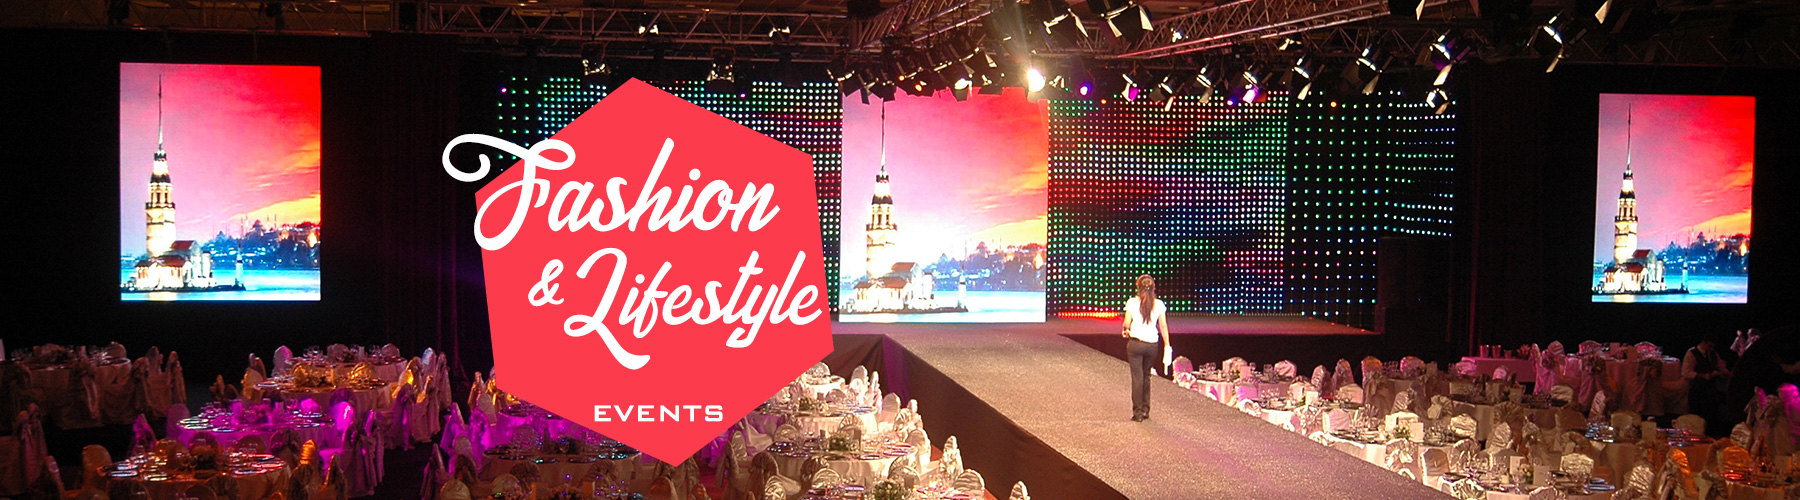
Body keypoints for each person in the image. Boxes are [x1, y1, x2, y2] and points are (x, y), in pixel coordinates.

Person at [1121, 274, 1171, 422]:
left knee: (1137, 378)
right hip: (1152, 345)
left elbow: (1126, 323)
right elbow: (1163, 326)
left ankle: (1137, 413)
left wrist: (1126, 330)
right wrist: (1167, 344)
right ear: (1153, 288)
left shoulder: (1132, 303)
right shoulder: (1159, 304)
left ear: (1138, 287)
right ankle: (1145, 410)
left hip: (1136, 344)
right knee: (1146, 376)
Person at [1683, 337, 1731, 435]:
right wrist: (1702, 376)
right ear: (1704, 343)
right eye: (1710, 346)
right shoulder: (1692, 353)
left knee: (1711, 417)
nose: (1711, 348)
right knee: (1697, 418)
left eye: (1713, 346)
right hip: (1697, 390)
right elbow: (1686, 372)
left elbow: (1720, 366)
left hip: (1711, 391)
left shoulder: (1713, 354)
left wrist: (1725, 373)